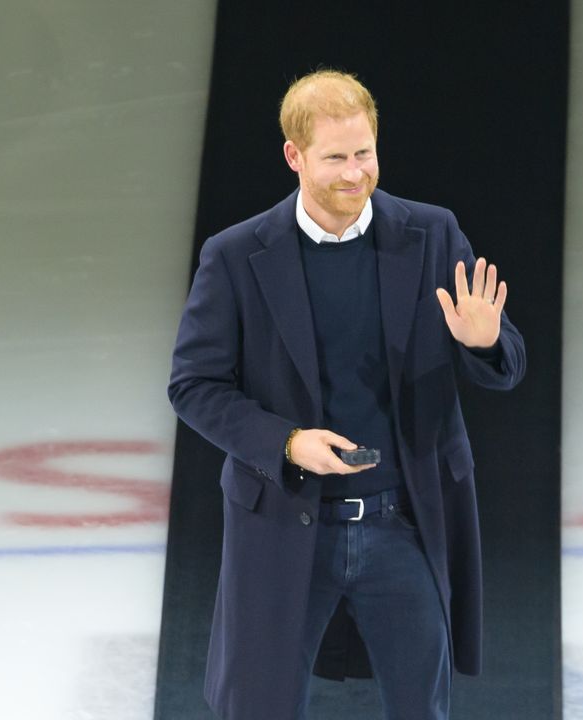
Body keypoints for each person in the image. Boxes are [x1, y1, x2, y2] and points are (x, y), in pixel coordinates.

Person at [168, 69, 526, 720]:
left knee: (423, 706)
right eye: (336, 157)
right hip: (283, 521)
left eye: (365, 154)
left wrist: (482, 342)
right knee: (257, 706)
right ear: (294, 156)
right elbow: (193, 384)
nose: (355, 173)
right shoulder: (236, 255)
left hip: (404, 526)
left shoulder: (433, 235)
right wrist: (286, 442)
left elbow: (506, 366)